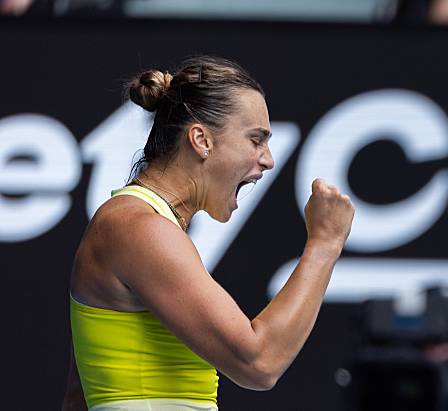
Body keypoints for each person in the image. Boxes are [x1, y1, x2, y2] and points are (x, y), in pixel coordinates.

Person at [61, 55, 355, 410]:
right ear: (201, 140)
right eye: (255, 139)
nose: (268, 159)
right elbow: (259, 364)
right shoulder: (140, 229)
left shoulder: (140, 225)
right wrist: (325, 243)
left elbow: (79, 397)